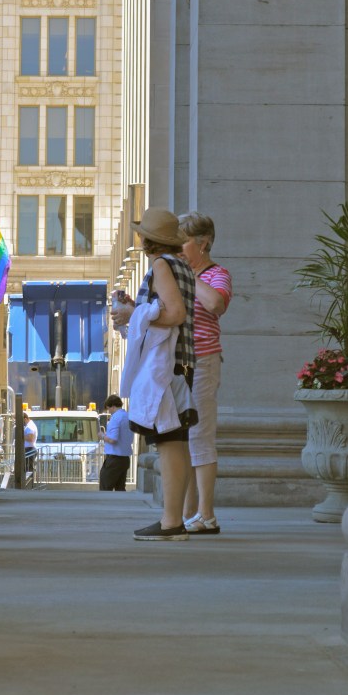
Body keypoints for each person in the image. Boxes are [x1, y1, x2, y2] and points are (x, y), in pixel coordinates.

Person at [112, 207, 196, 541]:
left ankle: (171, 521)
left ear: (147, 240)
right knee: (177, 442)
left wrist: (132, 314)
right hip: (181, 363)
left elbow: (174, 313)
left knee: (168, 442)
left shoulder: (161, 265)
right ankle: (175, 518)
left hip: (166, 367)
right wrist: (137, 310)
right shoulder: (182, 265)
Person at [178, 212, 232, 534]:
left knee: (200, 435)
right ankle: (188, 513)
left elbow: (216, 304)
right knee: (183, 438)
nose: (178, 248)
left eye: (183, 241)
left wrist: (189, 276)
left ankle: (207, 514)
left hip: (203, 361)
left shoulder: (217, 274)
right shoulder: (180, 274)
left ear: (203, 243)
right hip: (180, 363)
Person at [99, 394, 132, 491]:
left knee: (105, 486)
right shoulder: (128, 416)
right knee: (120, 488)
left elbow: (113, 439)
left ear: (113, 406)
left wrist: (102, 436)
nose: (108, 411)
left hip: (114, 458)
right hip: (125, 458)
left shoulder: (115, 418)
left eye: (108, 408)